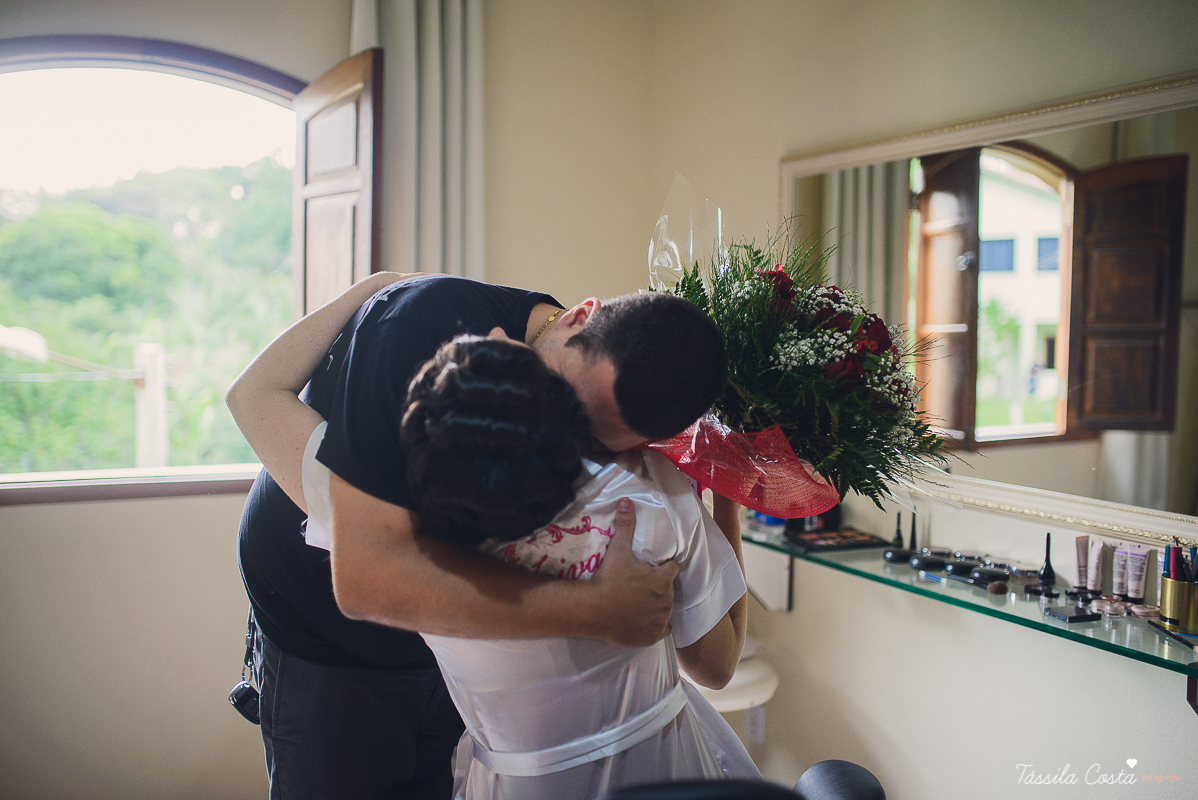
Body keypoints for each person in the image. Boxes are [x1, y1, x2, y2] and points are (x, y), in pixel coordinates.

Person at [230, 274, 757, 799]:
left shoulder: (436, 514)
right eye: (563, 398)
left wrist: (372, 287)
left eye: (600, 442)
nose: (583, 449)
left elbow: (251, 394)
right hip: (327, 646)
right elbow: (716, 665)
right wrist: (599, 607)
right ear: (579, 316)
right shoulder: (651, 501)